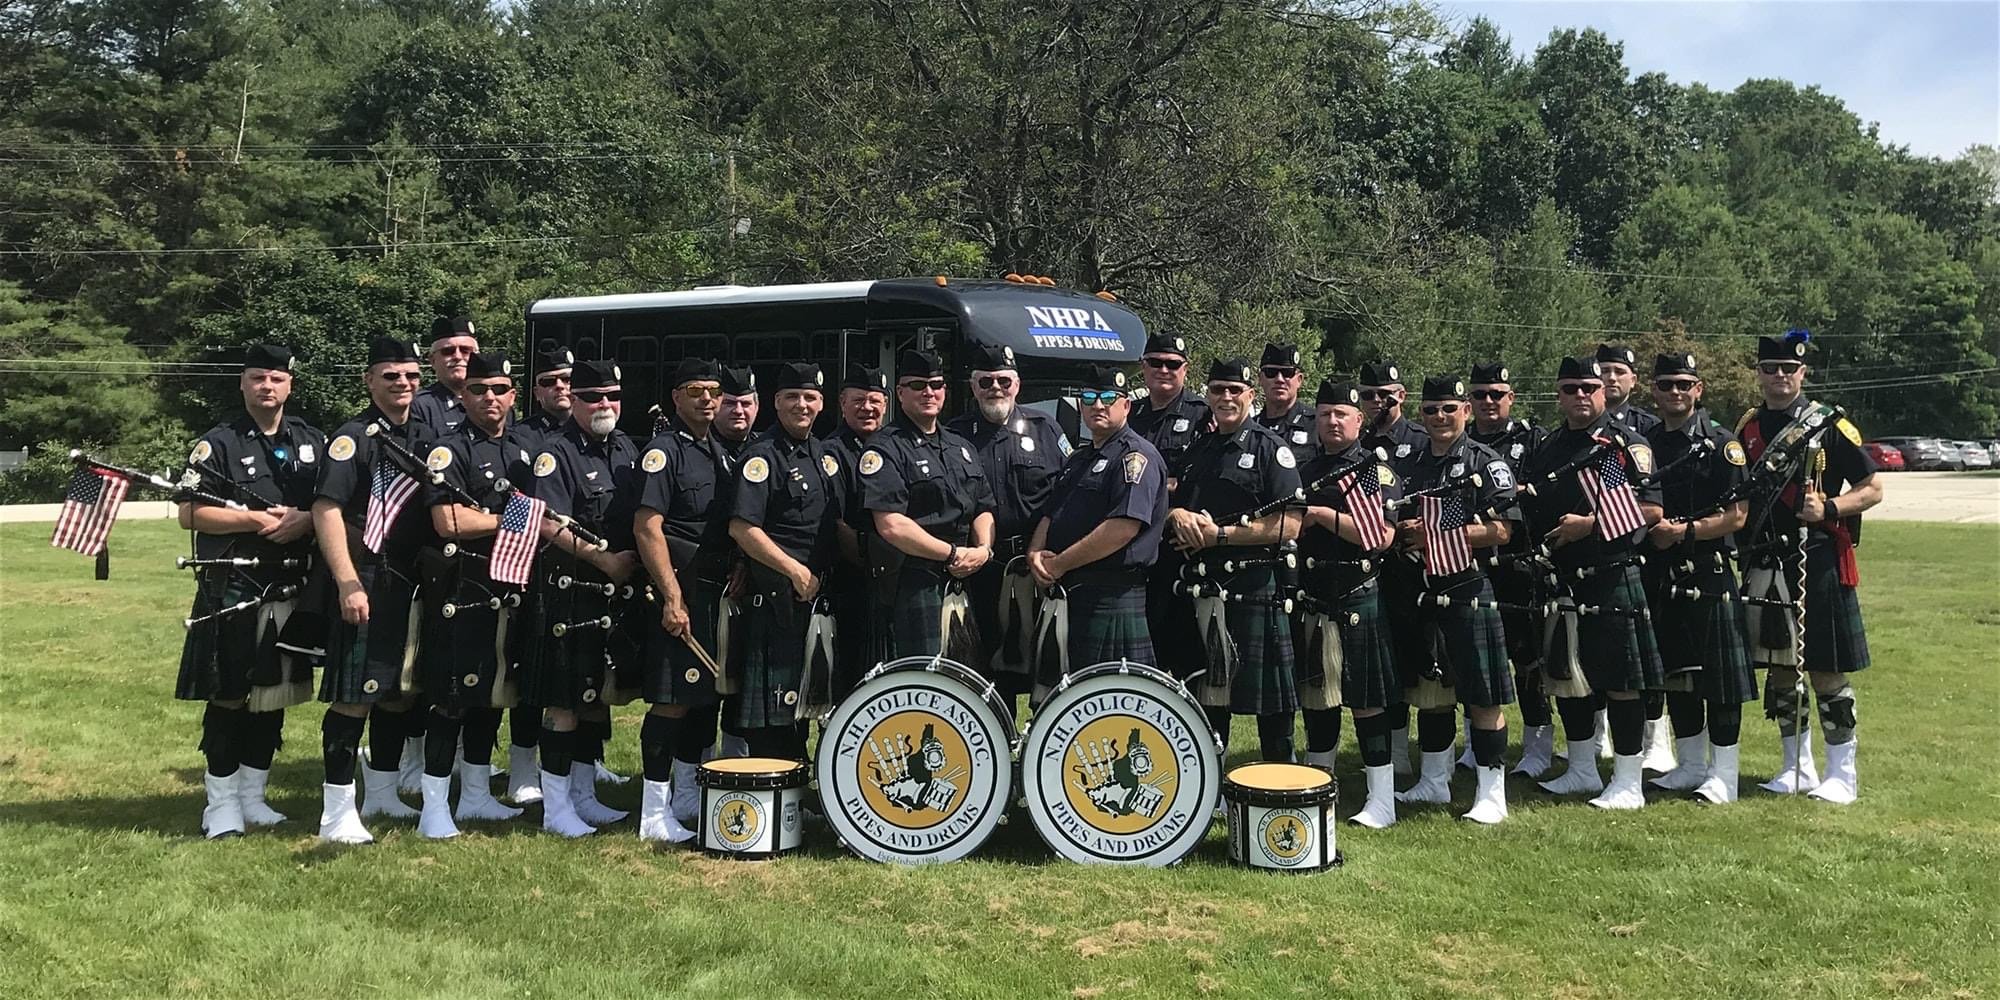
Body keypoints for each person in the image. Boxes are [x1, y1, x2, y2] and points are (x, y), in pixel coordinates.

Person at [175, 343, 323, 838]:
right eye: (257, 378)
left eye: (276, 379)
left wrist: (304, 520)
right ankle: (219, 805)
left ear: (289, 386)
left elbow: (329, 504)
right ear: (242, 384)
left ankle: (254, 797)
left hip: (289, 584)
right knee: (230, 693)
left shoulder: (310, 441)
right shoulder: (217, 442)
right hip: (234, 585)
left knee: (273, 694)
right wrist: (253, 519)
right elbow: (190, 512)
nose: (267, 386)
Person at [1735, 331, 1880, 804]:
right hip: (1766, 557)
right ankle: (1795, 765)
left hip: (1816, 559)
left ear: (1802, 374)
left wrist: (1831, 508)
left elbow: (1872, 487)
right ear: (1758, 373)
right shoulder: (1749, 427)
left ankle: (1843, 773)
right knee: (1780, 667)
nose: (1779, 377)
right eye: (1770, 369)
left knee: (1825, 668)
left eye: (1788, 369)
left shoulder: (1829, 425)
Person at [1521, 356, 1666, 810]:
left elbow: (1650, 510)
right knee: (1569, 676)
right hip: (1562, 578)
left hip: (1610, 572)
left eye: (1588, 387)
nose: (1580, 396)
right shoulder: (1549, 446)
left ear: (1603, 390)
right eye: (1570, 388)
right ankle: (1582, 769)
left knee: (1622, 680)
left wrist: (1588, 524)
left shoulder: (1623, 444)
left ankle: (1627, 780)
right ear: (1559, 394)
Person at [310, 337, 438, 843]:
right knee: (353, 696)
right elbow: (327, 509)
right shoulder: (353, 438)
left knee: (397, 693)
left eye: (409, 376)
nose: (402, 384)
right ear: (369, 381)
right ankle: (335, 812)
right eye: (390, 376)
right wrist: (346, 581)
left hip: (414, 581)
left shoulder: (427, 437)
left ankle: (382, 791)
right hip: (367, 577)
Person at [410, 350, 538, 838]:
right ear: (463, 395)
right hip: (461, 588)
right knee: (451, 700)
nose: (491, 398)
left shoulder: (521, 449)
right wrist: (516, 521)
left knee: (491, 695)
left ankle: (479, 795)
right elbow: (448, 521)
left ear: (512, 395)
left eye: (500, 389)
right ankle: (435, 807)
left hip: (508, 586)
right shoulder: (448, 450)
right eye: (479, 390)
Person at [1387, 376, 1519, 823]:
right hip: (1422, 590)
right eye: (1431, 410)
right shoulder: (1413, 462)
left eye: (1448, 409)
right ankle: (1434, 781)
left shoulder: (1485, 461)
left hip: (1468, 588)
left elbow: (1502, 529)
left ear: (1464, 410)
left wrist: (1437, 535)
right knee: (1432, 692)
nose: (1440, 418)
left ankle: (1491, 792)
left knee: (1483, 696)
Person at [1158, 358, 1302, 764]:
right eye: (1218, 390)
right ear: (1207, 395)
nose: (1226, 398)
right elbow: (1175, 502)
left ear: (1250, 396)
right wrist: (1176, 514)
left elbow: (1289, 525)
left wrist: (1220, 536)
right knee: (1208, 695)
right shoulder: (1199, 449)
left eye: (1234, 390)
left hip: (1255, 589)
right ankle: (1212, 786)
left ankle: (1279, 783)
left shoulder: (1270, 449)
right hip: (1204, 590)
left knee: (1271, 706)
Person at [524, 359, 643, 837]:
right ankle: (555, 809)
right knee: (565, 704)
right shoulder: (556, 454)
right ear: (573, 400)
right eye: (593, 397)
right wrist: (604, 560)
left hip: (613, 598)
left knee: (595, 697)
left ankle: (583, 796)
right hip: (570, 594)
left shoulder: (627, 448)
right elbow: (548, 524)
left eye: (612, 396)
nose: (604, 405)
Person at [1640, 352, 1757, 803]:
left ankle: (1723, 773)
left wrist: (1683, 531)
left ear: (1698, 389)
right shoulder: (1647, 443)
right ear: (1653, 389)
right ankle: (1689, 764)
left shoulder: (1722, 442)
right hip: (1662, 570)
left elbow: (1737, 516)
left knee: (1719, 679)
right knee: (1678, 673)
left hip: (1707, 570)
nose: (1675, 392)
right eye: (1666, 384)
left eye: (1684, 384)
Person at [631, 358, 735, 843]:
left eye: (714, 390)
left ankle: (687, 795)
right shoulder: (663, 451)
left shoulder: (719, 451)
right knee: (672, 701)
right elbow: (648, 527)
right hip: (681, 589)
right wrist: (671, 597)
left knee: (703, 699)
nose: (707, 399)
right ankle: (652, 813)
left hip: (713, 589)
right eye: (695, 389)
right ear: (676, 397)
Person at [1292, 380, 1402, 827]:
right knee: (1318, 697)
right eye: (1324, 415)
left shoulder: (1376, 470)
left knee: (1366, 701)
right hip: (1315, 595)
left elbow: (1381, 536)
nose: (1332, 422)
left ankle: (1382, 800)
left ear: (1359, 420)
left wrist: (1321, 515)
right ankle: (1322, 782)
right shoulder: (1305, 469)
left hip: (1358, 595)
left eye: (1342, 415)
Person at [724, 363, 845, 763]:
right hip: (777, 598)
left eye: (810, 397)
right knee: (776, 711)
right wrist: (794, 571)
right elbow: (744, 528)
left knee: (808, 699)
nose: (802, 405)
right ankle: (777, 793)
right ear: (775, 403)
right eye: (792, 397)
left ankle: (799, 785)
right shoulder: (762, 458)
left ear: (821, 403)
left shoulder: (822, 454)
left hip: (817, 597)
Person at [1026, 365, 1166, 692]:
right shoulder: (1078, 458)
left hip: (1112, 597)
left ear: (1126, 405)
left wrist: (1058, 564)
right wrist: (1034, 554)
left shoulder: (1136, 457)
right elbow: (1053, 512)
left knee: (1113, 705)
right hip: (1072, 594)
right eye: (1089, 398)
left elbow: (1122, 528)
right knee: (1065, 706)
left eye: (1108, 398)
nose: (1098, 405)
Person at [858, 349, 997, 660]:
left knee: (965, 684)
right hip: (914, 581)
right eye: (918, 385)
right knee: (920, 683)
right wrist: (951, 554)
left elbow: (982, 507)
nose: (929, 392)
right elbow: (891, 524)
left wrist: (983, 549)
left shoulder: (960, 446)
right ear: (900, 393)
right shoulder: (885, 447)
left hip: (964, 577)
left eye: (935, 384)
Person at [947, 343, 1067, 700]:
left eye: (1003, 381)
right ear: (972, 387)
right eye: (985, 382)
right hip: (980, 568)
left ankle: (1039, 748)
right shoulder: (955, 434)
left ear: (1017, 384)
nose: (995, 389)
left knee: (1043, 666)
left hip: (1036, 566)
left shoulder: (1045, 428)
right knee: (983, 669)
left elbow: (1065, 494)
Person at [1464, 362, 1555, 776]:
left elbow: (1542, 497)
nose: (1488, 402)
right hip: (1468, 562)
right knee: (1471, 657)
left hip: (1518, 564)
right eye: (1480, 395)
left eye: (1496, 394)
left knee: (1527, 658)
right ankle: (1473, 744)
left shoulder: (1531, 441)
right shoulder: (1458, 443)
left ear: (1510, 397)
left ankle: (1537, 747)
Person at [501, 346, 575, 806]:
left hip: (578, 574)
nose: (560, 387)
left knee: (574, 678)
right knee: (532, 677)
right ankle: (522, 767)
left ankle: (582, 766)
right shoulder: (522, 438)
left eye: (567, 379)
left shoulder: (591, 431)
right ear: (536, 391)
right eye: (549, 381)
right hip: (533, 569)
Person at [1357, 359, 1426, 776]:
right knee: (1383, 662)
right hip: (1367, 564)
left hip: (1409, 560)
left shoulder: (1418, 438)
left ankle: (1408, 751)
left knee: (1412, 654)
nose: (1376, 402)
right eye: (1368, 395)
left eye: (1385, 394)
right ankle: (1393, 753)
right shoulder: (1358, 441)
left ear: (1401, 395)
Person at [825, 363, 891, 698]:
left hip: (890, 576)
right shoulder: (832, 452)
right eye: (858, 401)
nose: (867, 408)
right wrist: (868, 568)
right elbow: (838, 522)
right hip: (853, 578)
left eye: (874, 400)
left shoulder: (893, 445)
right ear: (842, 402)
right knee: (852, 673)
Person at [1126, 333, 1210, 490]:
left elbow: (1204, 476)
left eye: (1173, 365)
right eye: (1155, 363)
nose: (1164, 370)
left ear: (1185, 369)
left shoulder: (1202, 415)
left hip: (1175, 509)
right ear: (1143, 366)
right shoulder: (1128, 413)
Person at [412, 315, 478, 436]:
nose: (457, 356)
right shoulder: (419, 406)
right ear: (432, 360)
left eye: (465, 350)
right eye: (448, 351)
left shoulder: (495, 401)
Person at [1254, 342, 1318, 459]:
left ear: (1299, 380)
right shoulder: (1250, 427)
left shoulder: (1317, 426)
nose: (1279, 379)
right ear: (1260, 379)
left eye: (1287, 373)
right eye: (1271, 373)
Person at [714, 365, 760, 458]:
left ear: (756, 407)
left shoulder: (768, 447)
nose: (738, 411)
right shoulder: (700, 449)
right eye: (729, 403)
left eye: (745, 404)